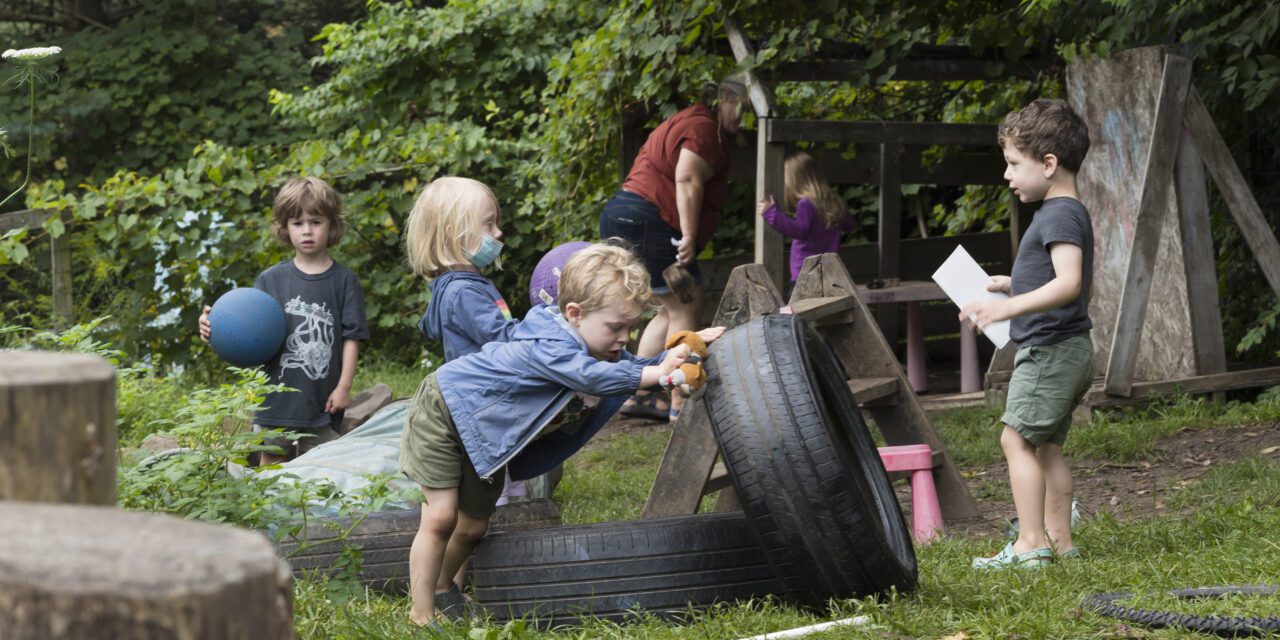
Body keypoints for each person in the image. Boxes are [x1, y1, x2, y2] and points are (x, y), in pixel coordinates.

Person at [398, 242, 724, 627]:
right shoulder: (549, 342)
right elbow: (594, 377)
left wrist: (687, 348)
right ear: (574, 313)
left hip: (484, 435)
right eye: (616, 328)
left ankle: (440, 589)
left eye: (630, 328)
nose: (624, 338)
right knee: (440, 517)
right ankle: (420, 617)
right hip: (443, 412)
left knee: (471, 527)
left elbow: (637, 366)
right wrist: (658, 375)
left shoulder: (598, 349)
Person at [960, 98, 1095, 569]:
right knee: (1046, 447)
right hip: (1072, 350)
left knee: (1015, 442)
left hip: (1051, 351)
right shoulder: (1067, 212)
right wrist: (1010, 284)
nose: (1007, 175)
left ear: (1049, 164)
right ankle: (1061, 543)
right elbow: (1056, 279)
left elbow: (1069, 283)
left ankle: (1030, 544)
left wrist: (1010, 308)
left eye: (1014, 164)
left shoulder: (1057, 215)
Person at [600, 74, 749, 422]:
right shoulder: (704, 129)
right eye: (741, 107)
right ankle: (680, 403)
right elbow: (687, 177)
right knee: (685, 302)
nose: (742, 117)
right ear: (724, 97)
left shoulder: (689, 120)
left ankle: (637, 393)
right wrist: (689, 236)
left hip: (623, 212)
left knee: (667, 309)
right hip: (652, 217)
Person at [200, 177, 369, 465]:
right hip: (276, 401)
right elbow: (247, 329)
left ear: (332, 226)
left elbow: (352, 337)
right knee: (271, 469)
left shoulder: (344, 281)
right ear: (284, 228)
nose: (307, 231)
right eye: (297, 223)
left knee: (324, 472)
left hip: (322, 401)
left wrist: (343, 387)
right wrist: (211, 325)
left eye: (316, 222)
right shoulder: (271, 280)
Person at [757, 151, 856, 282]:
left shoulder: (806, 204)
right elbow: (850, 225)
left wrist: (771, 213)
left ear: (795, 182)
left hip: (805, 275)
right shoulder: (834, 202)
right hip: (828, 272)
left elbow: (798, 230)